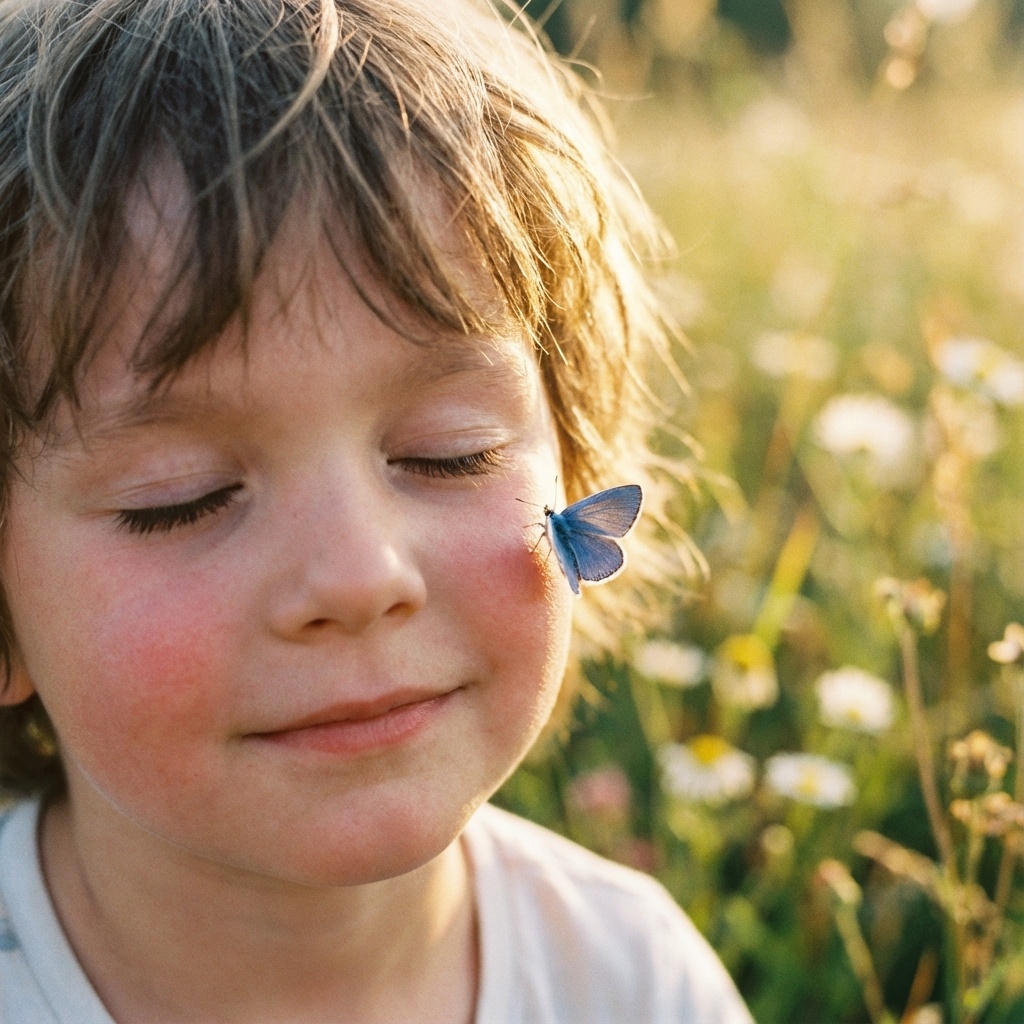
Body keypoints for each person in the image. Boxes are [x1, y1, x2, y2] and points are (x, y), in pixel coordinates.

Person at [0, 1, 753, 1021]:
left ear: (574, 459)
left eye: (453, 453)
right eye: (182, 498)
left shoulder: (631, 980)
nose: (360, 576)